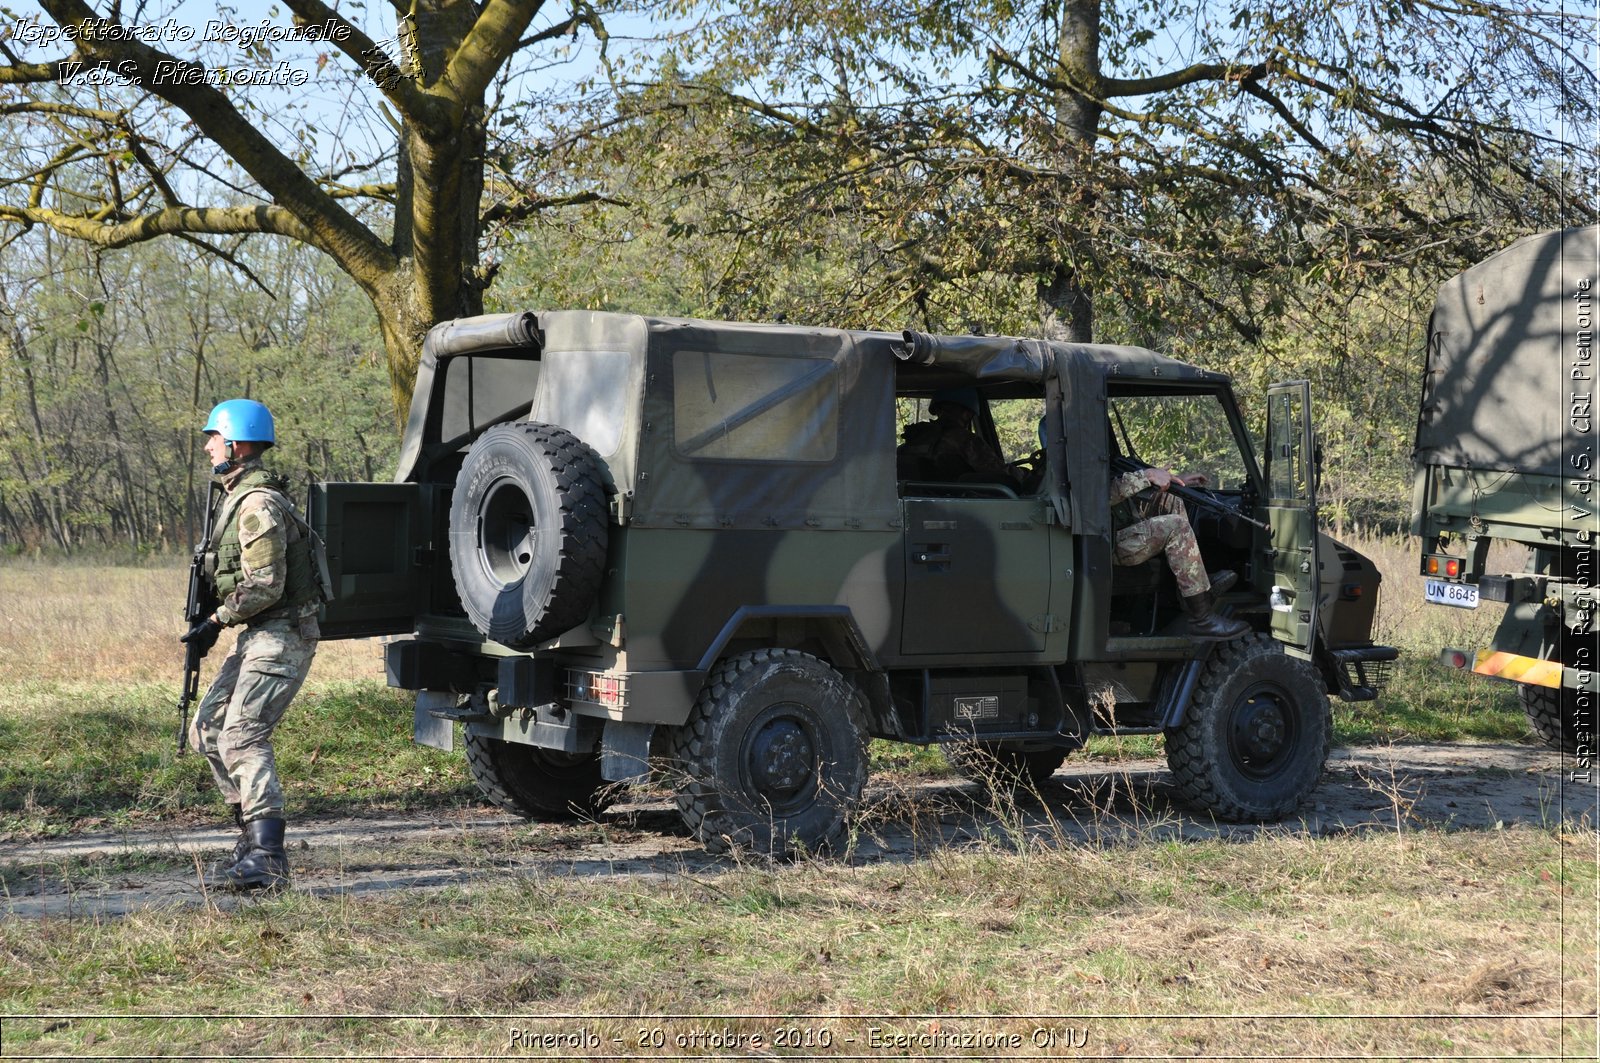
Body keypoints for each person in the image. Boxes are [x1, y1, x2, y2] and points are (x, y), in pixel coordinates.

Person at [180, 399, 320, 891]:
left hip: (284, 633)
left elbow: (265, 584)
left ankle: (268, 856)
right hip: (262, 633)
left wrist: (215, 621)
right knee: (209, 729)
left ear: (235, 444)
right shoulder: (236, 497)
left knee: (240, 734)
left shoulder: (257, 504)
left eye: (213, 437)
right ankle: (249, 839)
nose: (206, 445)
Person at [1111, 464, 1249, 641]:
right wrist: (1147, 476)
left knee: (1172, 498)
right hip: (1103, 541)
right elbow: (1095, 495)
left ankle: (1191, 588)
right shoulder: (1082, 451)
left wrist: (1172, 482)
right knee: (1176, 526)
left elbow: (1112, 481)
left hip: (1117, 522)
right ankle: (1202, 619)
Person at [897, 388, 1015, 484]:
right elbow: (1000, 473)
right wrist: (1025, 475)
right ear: (968, 413)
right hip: (957, 505)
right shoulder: (965, 440)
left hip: (916, 502)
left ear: (937, 409)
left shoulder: (913, 439)